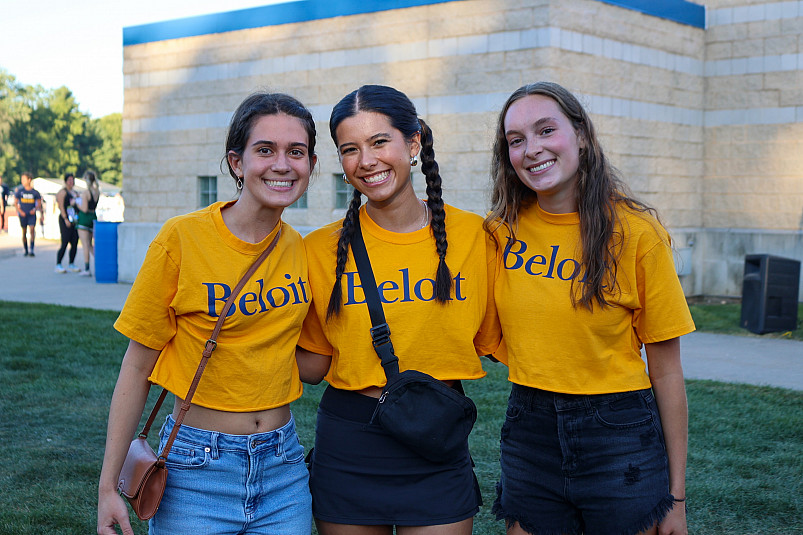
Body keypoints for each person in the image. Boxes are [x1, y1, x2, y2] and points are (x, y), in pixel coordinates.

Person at [97, 92, 318, 535]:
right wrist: (107, 488)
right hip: (195, 469)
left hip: (284, 466)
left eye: (296, 152)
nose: (282, 164)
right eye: (265, 150)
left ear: (311, 164)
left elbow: (310, 363)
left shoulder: (302, 250)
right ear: (236, 162)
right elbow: (137, 366)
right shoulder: (182, 239)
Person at [485, 82, 694, 535]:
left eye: (546, 130)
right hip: (529, 425)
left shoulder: (637, 233)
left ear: (581, 135)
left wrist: (675, 498)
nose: (531, 149)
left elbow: (667, 371)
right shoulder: (500, 233)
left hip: (619, 431)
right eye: (516, 140)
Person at [296, 84, 500, 535]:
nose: (365, 161)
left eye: (379, 142)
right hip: (349, 442)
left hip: (436, 438)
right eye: (350, 149)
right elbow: (313, 364)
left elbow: (507, 336)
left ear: (413, 144)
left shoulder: (475, 237)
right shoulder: (318, 250)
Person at [13, 172, 43, 257]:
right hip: (23, 214)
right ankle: (25, 249)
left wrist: (35, 209)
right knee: (24, 232)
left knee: (32, 229)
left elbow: (39, 203)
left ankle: (32, 249)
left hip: (31, 214)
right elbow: (15, 203)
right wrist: (20, 211)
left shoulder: (35, 192)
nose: (22, 181)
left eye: (24, 179)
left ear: (29, 180)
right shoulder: (20, 191)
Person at [55, 173, 81, 273]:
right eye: (69, 180)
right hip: (65, 219)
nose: (71, 182)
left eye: (72, 180)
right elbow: (61, 206)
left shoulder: (75, 193)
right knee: (65, 242)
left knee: (74, 242)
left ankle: (71, 263)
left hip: (74, 219)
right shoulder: (62, 192)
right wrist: (65, 218)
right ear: (66, 181)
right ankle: (58, 264)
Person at [76, 170, 100, 276]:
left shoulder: (86, 192)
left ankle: (87, 269)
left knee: (85, 245)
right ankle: (100, 262)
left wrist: (76, 204)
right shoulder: (97, 191)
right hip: (93, 217)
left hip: (84, 219)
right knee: (90, 245)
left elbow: (84, 209)